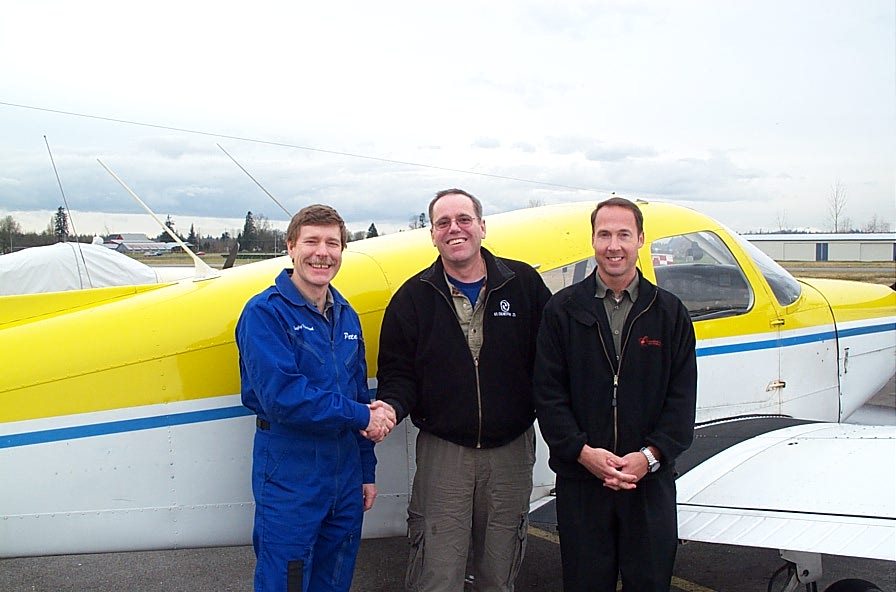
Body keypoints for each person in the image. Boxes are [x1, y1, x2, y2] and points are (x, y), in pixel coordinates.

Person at [376, 188, 551, 592]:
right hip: (444, 453)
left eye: (464, 219)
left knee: (499, 571)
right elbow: (398, 374)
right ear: (432, 235)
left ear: (482, 227)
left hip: (511, 451)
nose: (454, 229)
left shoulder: (523, 284)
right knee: (437, 573)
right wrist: (389, 407)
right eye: (443, 223)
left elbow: (551, 361)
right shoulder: (412, 297)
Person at [533, 197, 697, 592]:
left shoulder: (669, 313)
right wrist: (583, 453)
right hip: (583, 483)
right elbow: (548, 394)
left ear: (641, 239)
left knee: (650, 583)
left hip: (649, 485)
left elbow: (681, 402)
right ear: (592, 240)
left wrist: (649, 457)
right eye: (604, 234)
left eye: (624, 234)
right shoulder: (563, 311)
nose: (614, 245)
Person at [236, 204, 395, 592]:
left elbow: (358, 390)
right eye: (311, 241)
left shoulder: (346, 314)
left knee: (335, 577)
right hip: (291, 470)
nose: (322, 252)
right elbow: (283, 397)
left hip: (344, 472)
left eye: (332, 243)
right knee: (286, 579)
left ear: (342, 252)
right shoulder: (264, 313)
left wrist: (367, 471)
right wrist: (363, 416)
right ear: (291, 247)